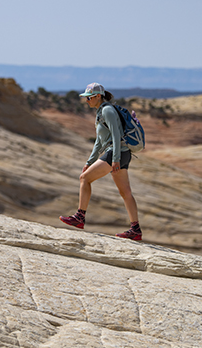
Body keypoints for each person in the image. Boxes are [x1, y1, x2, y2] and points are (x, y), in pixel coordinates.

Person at [59, 82, 142, 240]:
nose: (87, 100)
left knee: (84, 179)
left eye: (89, 97)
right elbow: (99, 141)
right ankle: (135, 230)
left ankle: (79, 217)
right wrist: (89, 162)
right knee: (126, 193)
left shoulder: (107, 110)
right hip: (123, 154)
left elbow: (116, 135)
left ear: (98, 96)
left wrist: (115, 159)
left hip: (116, 154)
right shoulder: (101, 111)